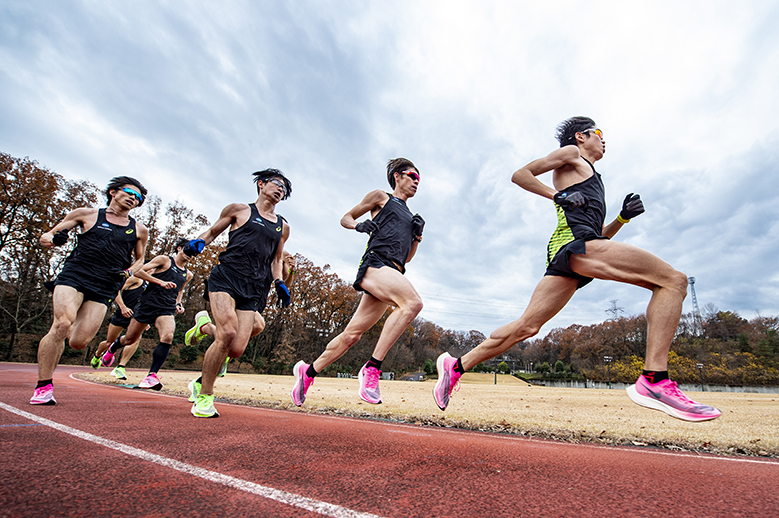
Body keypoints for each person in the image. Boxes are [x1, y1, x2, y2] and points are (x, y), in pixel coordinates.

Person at [433, 116, 721, 422]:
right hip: (574, 247)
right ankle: (654, 380)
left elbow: (600, 239)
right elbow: (521, 175)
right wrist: (557, 195)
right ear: (581, 136)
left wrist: (622, 218)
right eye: (599, 132)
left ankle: (456, 366)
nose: (604, 139)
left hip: (577, 251)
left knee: (527, 327)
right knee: (673, 281)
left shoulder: (592, 177)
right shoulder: (571, 154)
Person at [291, 158, 424, 406]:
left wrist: (416, 236)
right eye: (412, 176)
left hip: (393, 271)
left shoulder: (411, 216)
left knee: (351, 336)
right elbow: (346, 217)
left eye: (419, 179)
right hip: (375, 265)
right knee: (413, 304)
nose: (417, 181)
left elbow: (407, 258)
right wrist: (358, 225)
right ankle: (372, 369)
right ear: (397, 176)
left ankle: (307, 373)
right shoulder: (381, 197)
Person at [184, 169, 292, 418]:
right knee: (228, 332)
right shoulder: (239, 210)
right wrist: (198, 242)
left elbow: (276, 259)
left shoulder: (282, 227)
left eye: (284, 189)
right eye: (277, 184)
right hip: (227, 276)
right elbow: (211, 233)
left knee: (235, 349)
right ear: (261, 184)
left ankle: (203, 329)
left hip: (256, 286)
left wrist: (279, 283)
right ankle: (205, 397)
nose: (280, 190)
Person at [32, 177, 148, 405]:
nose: (134, 199)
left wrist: (128, 273)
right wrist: (55, 239)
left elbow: (140, 260)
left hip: (105, 284)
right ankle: (43, 386)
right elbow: (45, 237)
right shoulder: (86, 214)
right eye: (130, 193)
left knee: (78, 342)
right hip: (75, 275)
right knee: (62, 323)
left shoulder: (139, 230)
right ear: (113, 192)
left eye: (139, 198)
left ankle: (60, 335)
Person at [184, 250, 296, 382]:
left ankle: (201, 382)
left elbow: (285, 283)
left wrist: (292, 271)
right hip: (234, 290)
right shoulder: (255, 239)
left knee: (234, 344)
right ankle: (206, 329)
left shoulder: (283, 255)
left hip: (255, 298)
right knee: (257, 324)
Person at [99, 238, 193, 389]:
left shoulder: (188, 274)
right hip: (147, 305)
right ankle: (112, 349)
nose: (190, 255)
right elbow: (138, 271)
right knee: (129, 339)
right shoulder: (164, 260)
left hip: (166, 308)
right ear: (179, 248)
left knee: (168, 336)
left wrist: (178, 303)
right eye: (188, 251)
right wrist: (159, 282)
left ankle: (151, 376)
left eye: (193, 254)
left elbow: (180, 290)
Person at [89, 275, 148, 379]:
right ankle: (97, 355)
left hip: (137, 317)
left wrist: (147, 319)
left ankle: (120, 367)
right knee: (109, 341)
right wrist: (122, 307)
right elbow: (116, 290)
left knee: (135, 340)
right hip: (122, 314)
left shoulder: (152, 284)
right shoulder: (137, 279)